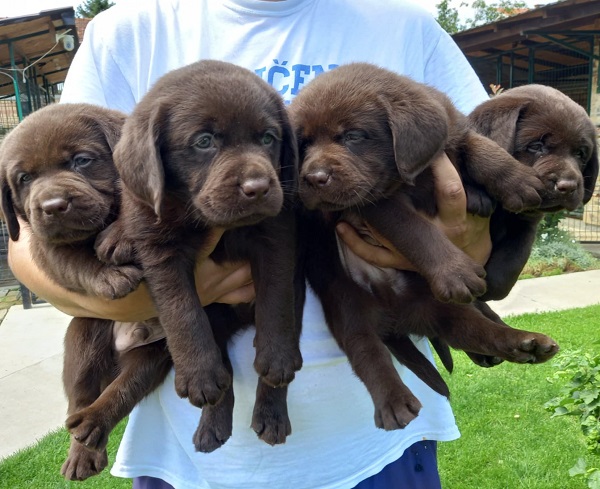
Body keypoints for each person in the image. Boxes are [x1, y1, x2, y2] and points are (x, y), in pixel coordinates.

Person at [7, 0, 493, 487]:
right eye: (203, 143)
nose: (257, 175)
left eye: (267, 140)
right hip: (187, 457)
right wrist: (145, 296)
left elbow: (483, 168)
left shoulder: (409, 27)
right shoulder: (127, 32)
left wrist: (468, 245)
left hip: (376, 441)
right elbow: (35, 247)